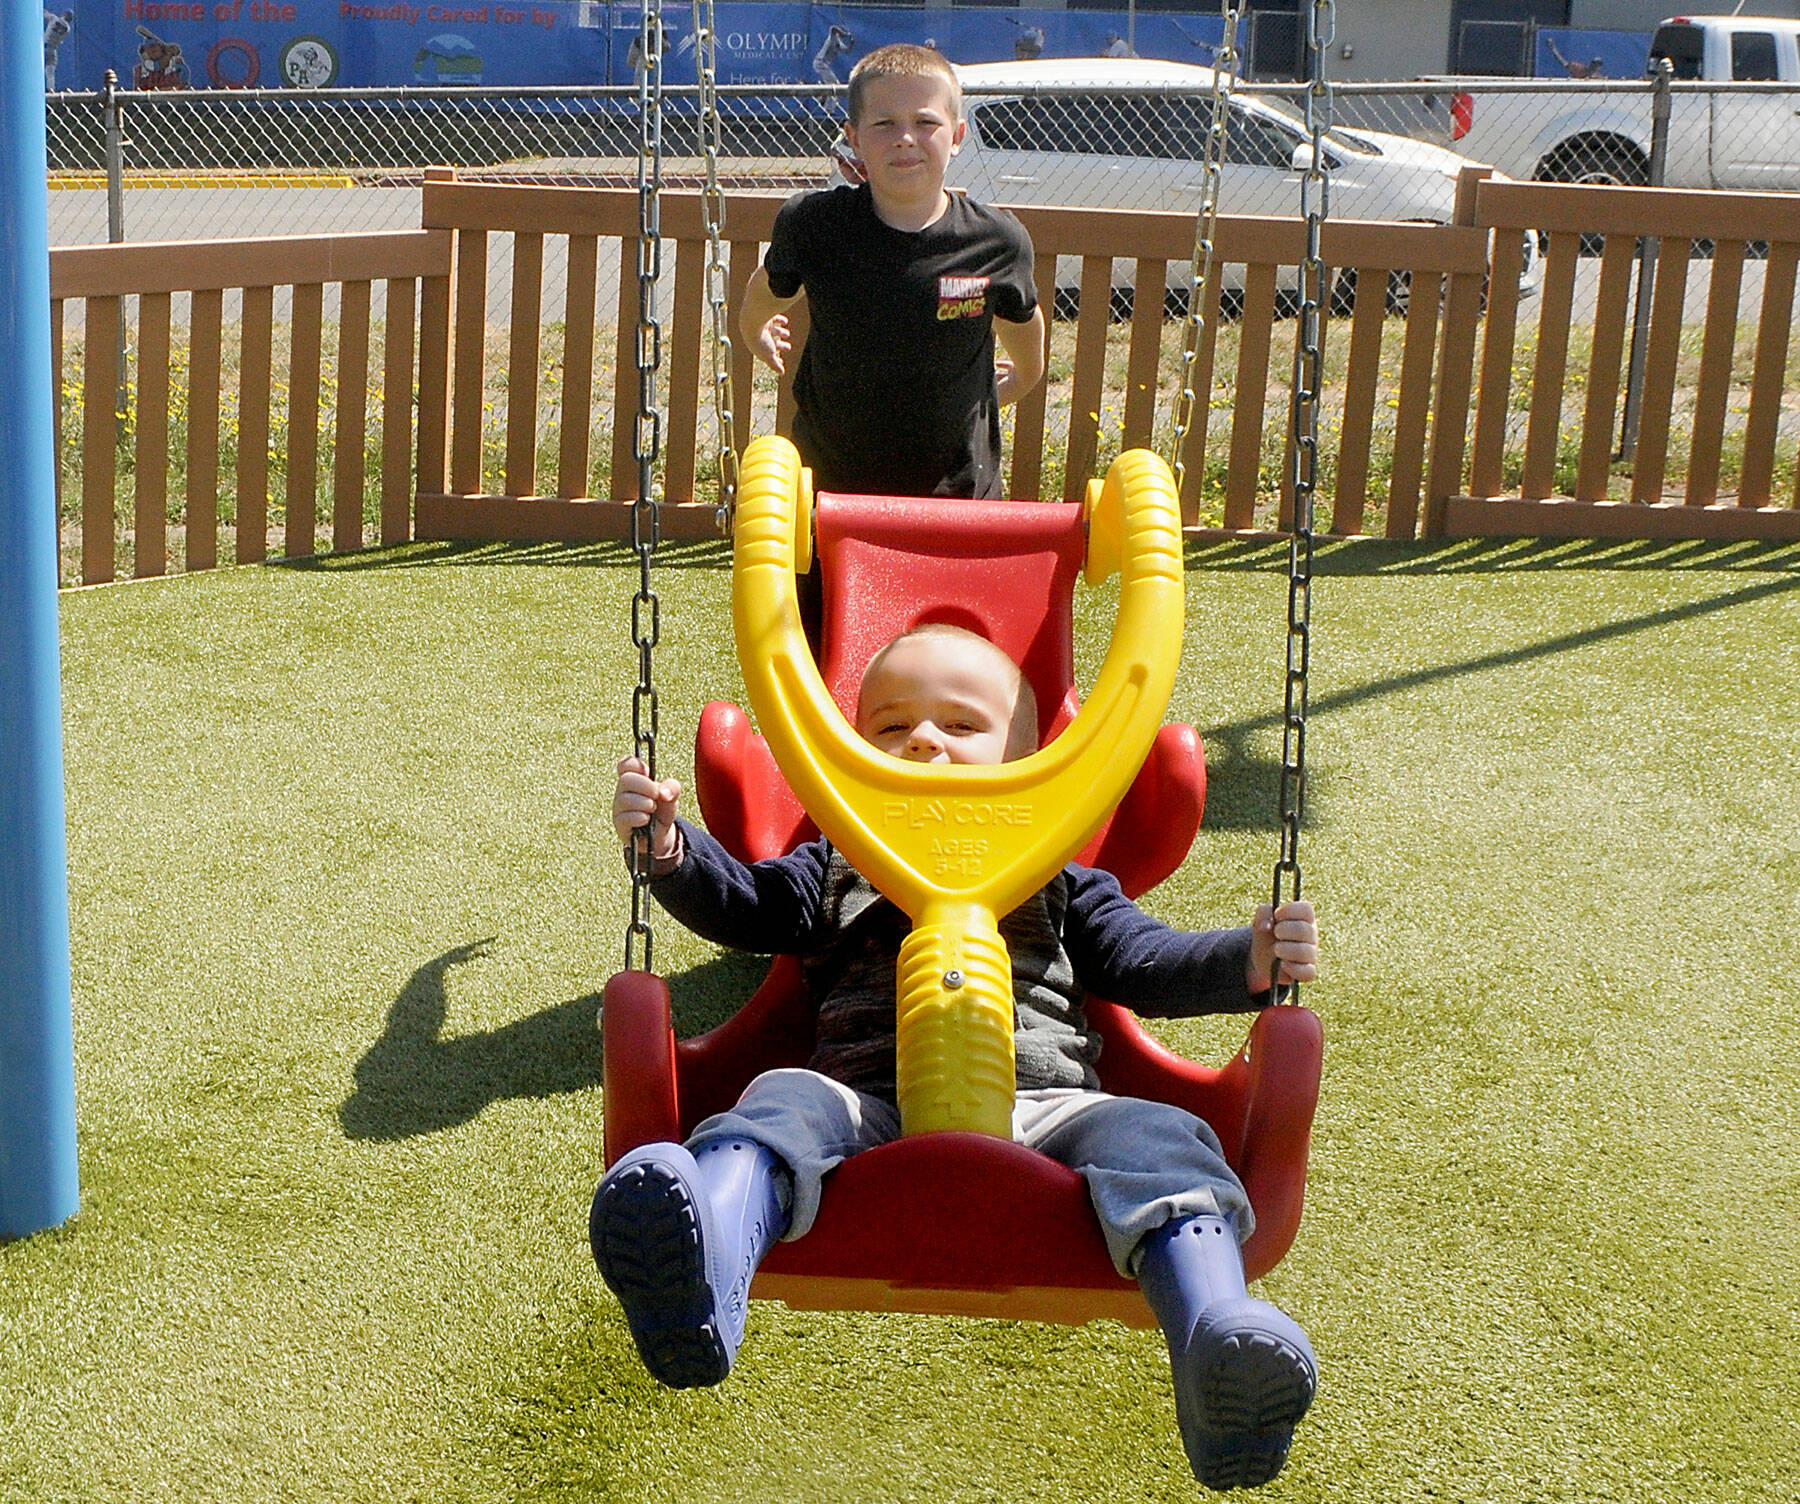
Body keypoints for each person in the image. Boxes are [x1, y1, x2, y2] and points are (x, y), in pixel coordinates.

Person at [593, 623, 1322, 1491]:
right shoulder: (838, 864)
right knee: (776, 1102)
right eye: (890, 728)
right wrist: (673, 852)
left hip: (1052, 1111)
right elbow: (748, 907)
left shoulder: (1058, 875)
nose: (923, 741)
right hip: (860, 1104)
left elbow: (1141, 962)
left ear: (1028, 763)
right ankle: (701, 1272)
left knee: (1159, 1138)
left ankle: (1216, 1338)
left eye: (960, 727)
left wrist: (1248, 959)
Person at [738, 44, 1047, 502]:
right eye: (884, 124)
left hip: (958, 496)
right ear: (855, 137)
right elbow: (767, 289)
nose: (906, 138)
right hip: (832, 494)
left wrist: (1024, 376)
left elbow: (1023, 321)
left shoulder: (996, 240)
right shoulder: (814, 224)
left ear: (957, 135)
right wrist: (753, 330)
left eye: (926, 123)